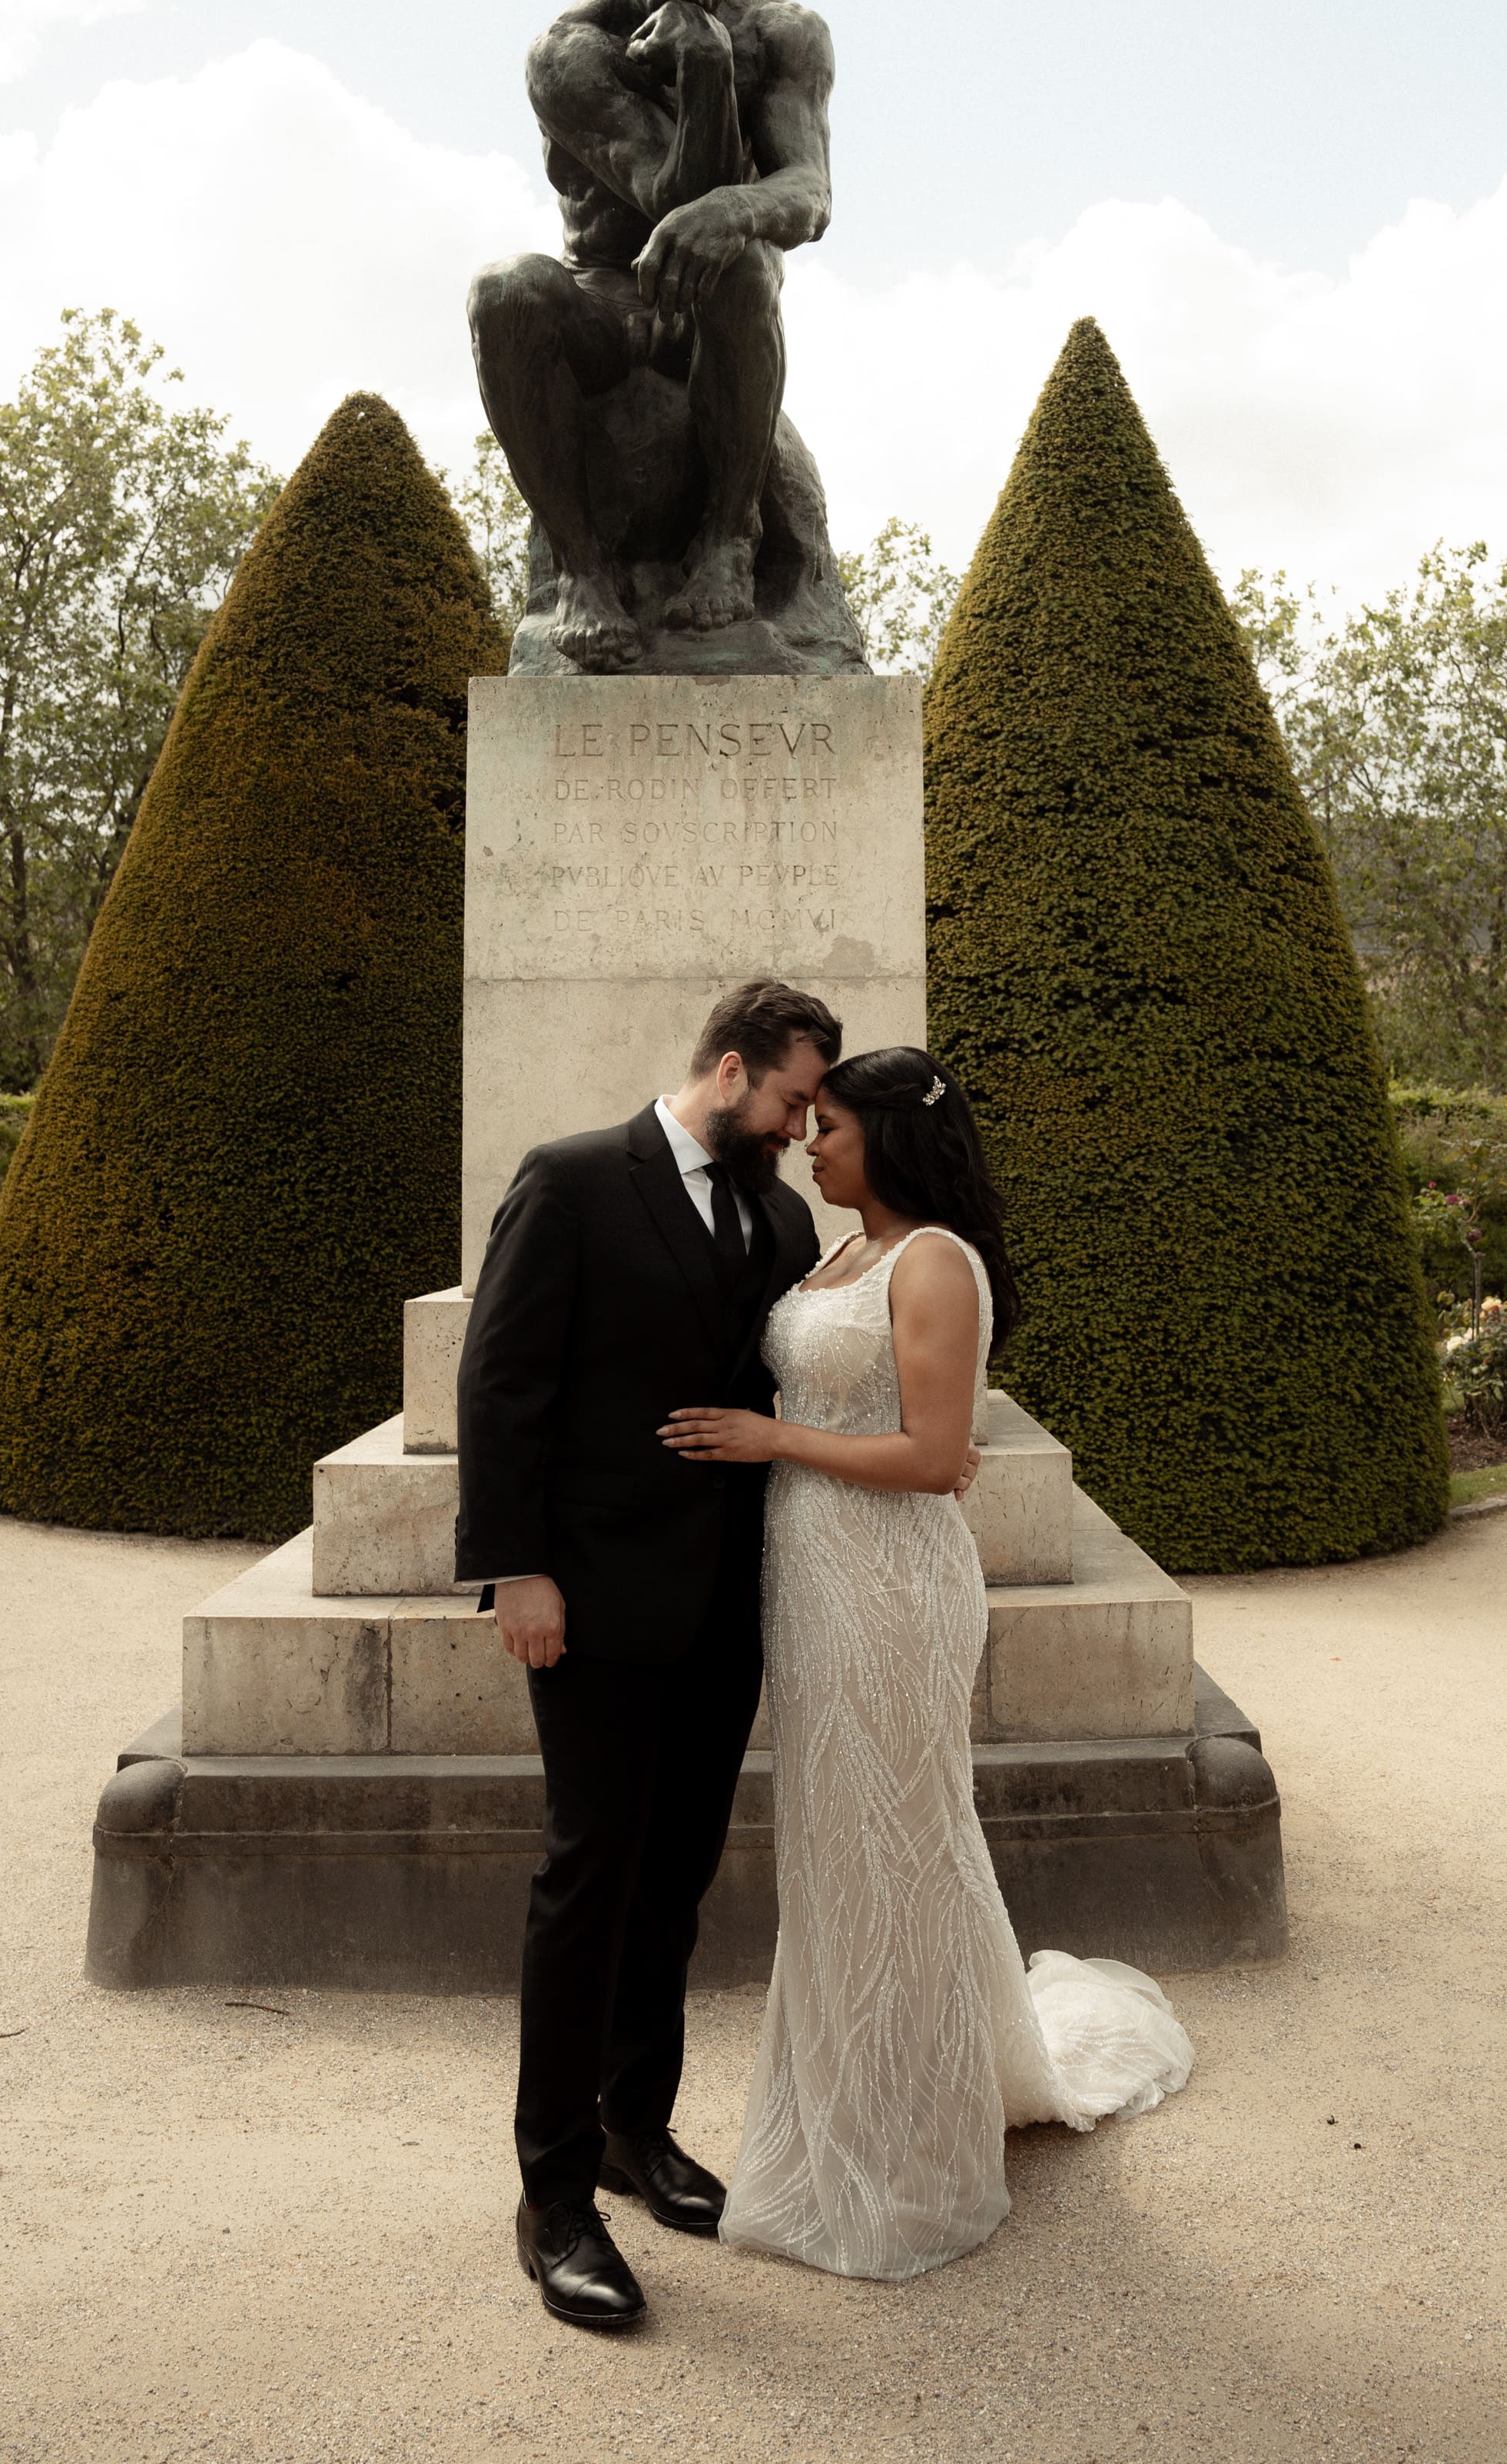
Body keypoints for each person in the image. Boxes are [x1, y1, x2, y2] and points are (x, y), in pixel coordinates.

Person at [661, 1047, 1193, 2280]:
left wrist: (766, 1437)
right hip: (811, 1582)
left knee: (889, 1840)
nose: (809, 1141)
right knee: (842, 1844)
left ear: (890, 1139)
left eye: (829, 1124)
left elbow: (931, 1453)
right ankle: (870, 2097)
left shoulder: (934, 1260)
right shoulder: (838, 1250)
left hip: (891, 1590)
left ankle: (903, 2149)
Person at [456, 976, 841, 2330]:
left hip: (730, 1602)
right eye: (793, 1098)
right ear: (731, 1069)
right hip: (592, 1599)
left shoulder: (783, 1215)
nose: (802, 1128)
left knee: (674, 1880)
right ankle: (551, 2195)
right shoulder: (568, 1181)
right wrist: (517, 1567)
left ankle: (636, 2132)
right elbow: (502, 1385)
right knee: (588, 1879)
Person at [467, 0, 835, 667]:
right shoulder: (567, 52)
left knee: (741, 262)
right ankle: (583, 574)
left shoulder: (784, 35)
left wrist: (738, 203)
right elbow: (665, 196)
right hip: (604, 301)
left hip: (706, 318)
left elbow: (810, 195)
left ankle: (729, 539)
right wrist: (704, 67)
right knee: (503, 292)